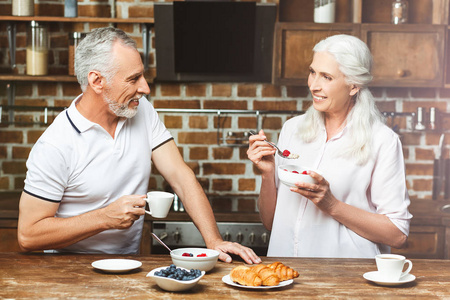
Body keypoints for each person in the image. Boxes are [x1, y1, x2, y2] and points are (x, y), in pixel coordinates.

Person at [17, 27, 261, 264]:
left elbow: (180, 176)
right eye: (133, 79)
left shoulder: (141, 110)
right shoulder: (55, 144)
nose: (145, 88)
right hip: (68, 272)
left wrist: (213, 239)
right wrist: (103, 218)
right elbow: (28, 235)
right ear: (97, 81)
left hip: (129, 266)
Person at [247, 34, 412, 258]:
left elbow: (398, 235)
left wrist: (331, 204)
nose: (313, 85)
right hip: (286, 274)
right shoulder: (292, 130)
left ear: (353, 86)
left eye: (326, 77)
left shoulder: (382, 141)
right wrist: (267, 174)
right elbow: (270, 222)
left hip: (345, 279)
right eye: (312, 72)